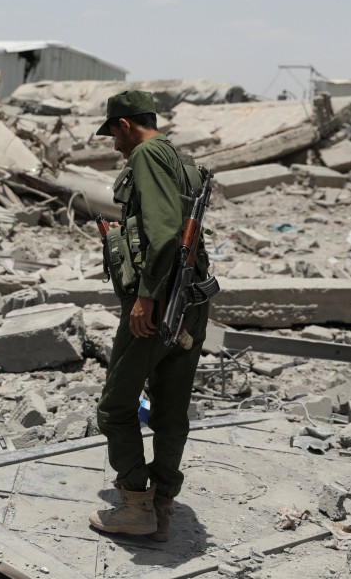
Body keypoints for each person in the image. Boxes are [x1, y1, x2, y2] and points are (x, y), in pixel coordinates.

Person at [88, 89, 211, 542]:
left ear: (125, 125)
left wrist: (146, 298)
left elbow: (160, 234)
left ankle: (136, 505)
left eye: (114, 136)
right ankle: (163, 502)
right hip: (191, 301)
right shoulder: (178, 159)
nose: (115, 147)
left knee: (116, 407)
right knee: (170, 407)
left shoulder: (145, 155)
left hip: (160, 303)